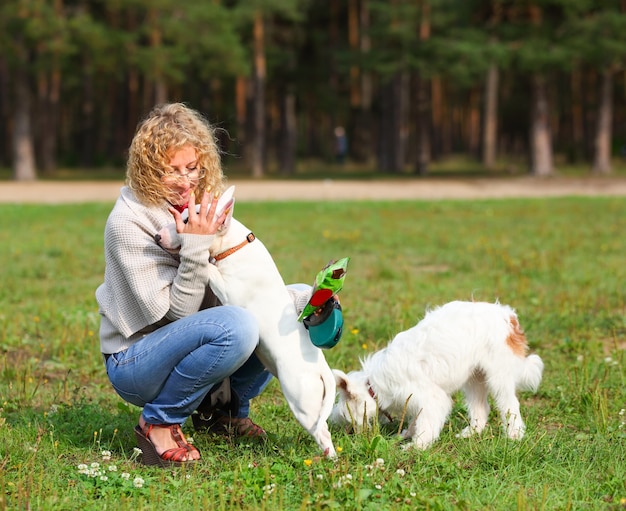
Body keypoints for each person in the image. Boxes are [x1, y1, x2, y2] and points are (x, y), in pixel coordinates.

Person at [96, 103, 273, 467]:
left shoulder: (196, 204)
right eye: (170, 171)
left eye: (192, 168)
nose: (186, 181)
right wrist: (195, 245)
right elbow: (177, 315)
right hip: (136, 359)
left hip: (194, 338)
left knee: (294, 301)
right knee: (238, 326)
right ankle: (159, 421)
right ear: (147, 170)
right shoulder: (127, 222)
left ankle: (224, 413)